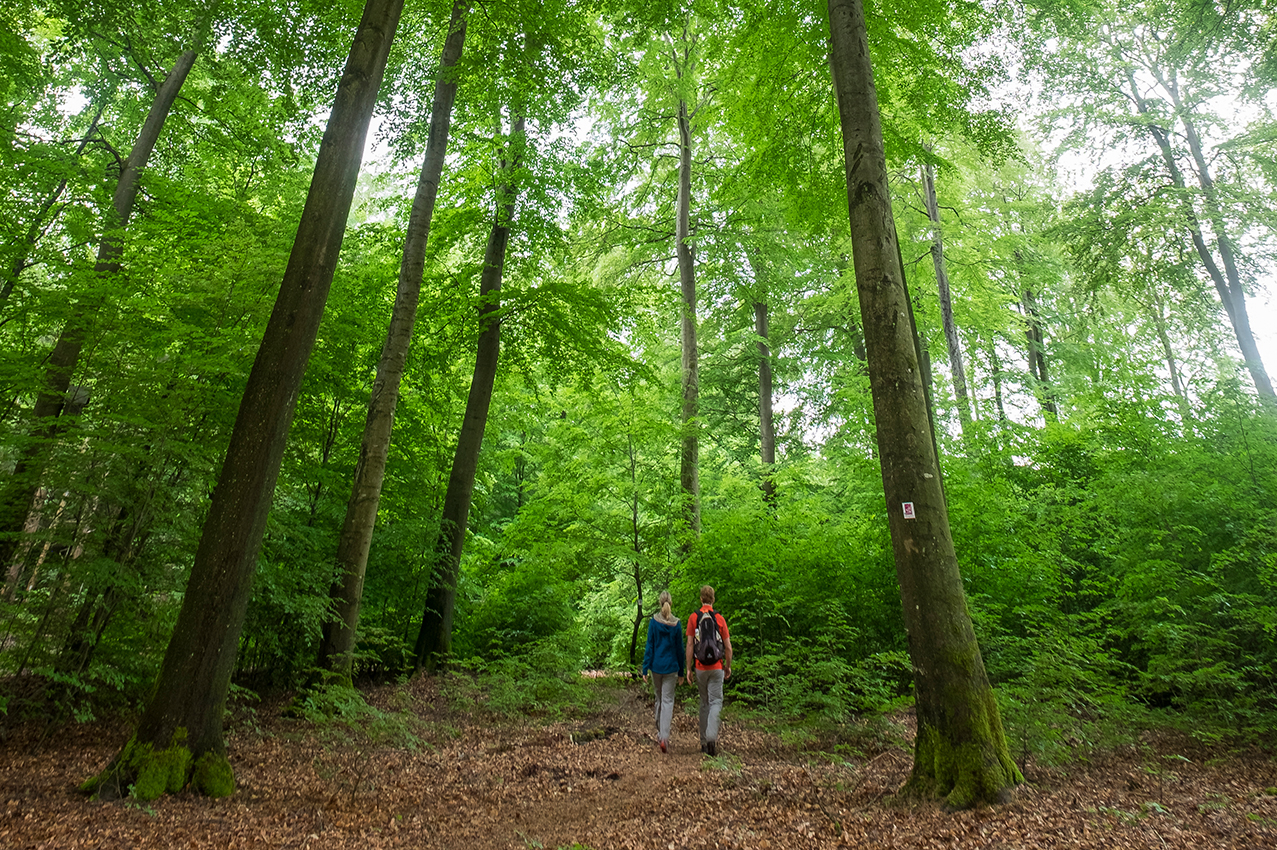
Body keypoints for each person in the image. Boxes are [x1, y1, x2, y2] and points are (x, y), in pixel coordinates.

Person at [685, 585, 732, 756]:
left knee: (704, 703)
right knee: (716, 702)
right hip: (717, 667)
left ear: (701, 599)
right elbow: (728, 647)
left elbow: (690, 644)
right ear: (713, 599)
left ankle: (704, 742)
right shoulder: (719, 618)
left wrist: (688, 668)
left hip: (700, 668)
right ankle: (712, 737)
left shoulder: (693, 618)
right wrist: (728, 666)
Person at [641, 590, 685, 753]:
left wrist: (645, 668)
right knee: (667, 701)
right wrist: (681, 671)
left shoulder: (654, 622)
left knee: (659, 699)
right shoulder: (676, 623)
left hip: (656, 666)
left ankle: (660, 731)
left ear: (660, 603)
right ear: (670, 603)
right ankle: (664, 736)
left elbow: (650, 646)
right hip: (671, 668)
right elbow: (680, 649)